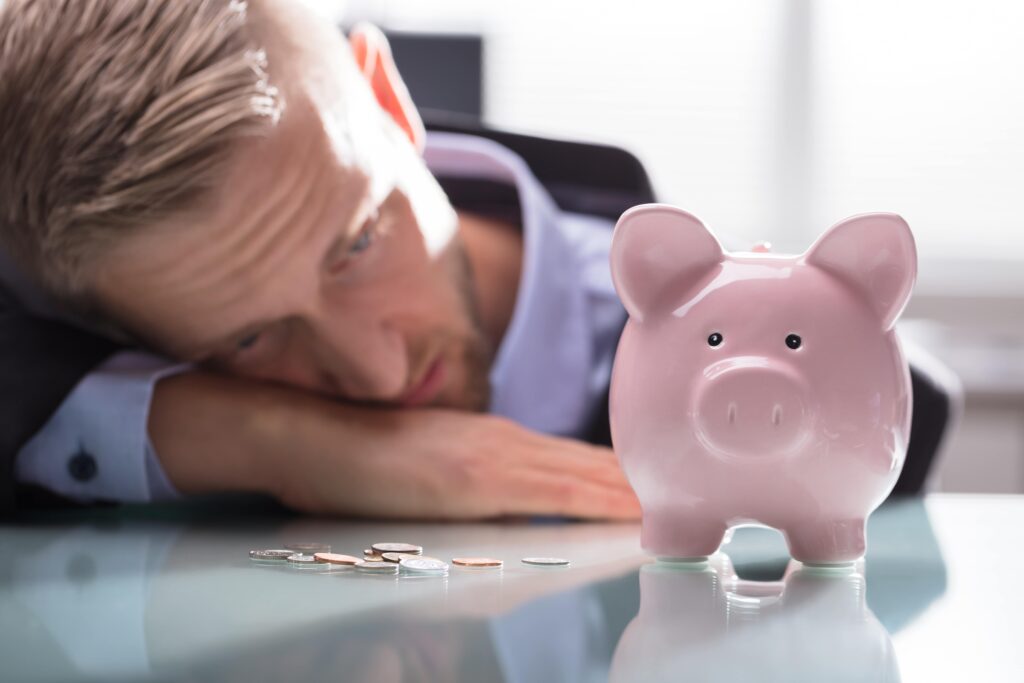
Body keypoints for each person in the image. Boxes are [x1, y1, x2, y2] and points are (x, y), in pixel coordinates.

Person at [0, 0, 954, 519]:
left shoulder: (710, 322)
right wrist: (271, 440)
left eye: (358, 243)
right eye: (247, 336)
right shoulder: (65, 314)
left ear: (389, 97)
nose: (377, 376)